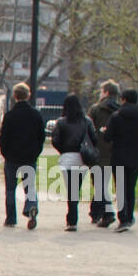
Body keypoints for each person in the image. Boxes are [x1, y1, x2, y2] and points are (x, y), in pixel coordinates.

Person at [104, 89, 138, 232]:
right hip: (134, 157)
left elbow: (107, 137)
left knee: (120, 188)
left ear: (123, 99)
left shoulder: (116, 117)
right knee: (130, 188)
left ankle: (123, 218)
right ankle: (130, 216)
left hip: (118, 156)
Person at [0, 81, 46, 230]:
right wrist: (35, 152)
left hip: (12, 156)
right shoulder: (35, 115)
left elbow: (3, 137)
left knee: (10, 189)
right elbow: (41, 137)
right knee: (29, 187)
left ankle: (11, 218)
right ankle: (31, 207)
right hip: (29, 157)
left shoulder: (10, 115)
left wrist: (5, 153)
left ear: (15, 96)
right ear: (28, 95)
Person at [51, 94, 92, 231]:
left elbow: (55, 140)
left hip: (68, 157)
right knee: (76, 188)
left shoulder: (61, 122)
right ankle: (72, 217)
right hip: (82, 158)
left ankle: (72, 219)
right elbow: (94, 138)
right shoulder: (86, 121)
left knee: (71, 190)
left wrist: (63, 150)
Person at [88, 80, 121, 227]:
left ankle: (107, 213)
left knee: (100, 185)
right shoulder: (121, 110)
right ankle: (95, 212)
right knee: (104, 185)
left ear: (106, 92)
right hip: (116, 152)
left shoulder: (96, 109)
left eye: (102, 91)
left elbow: (89, 129)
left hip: (100, 151)